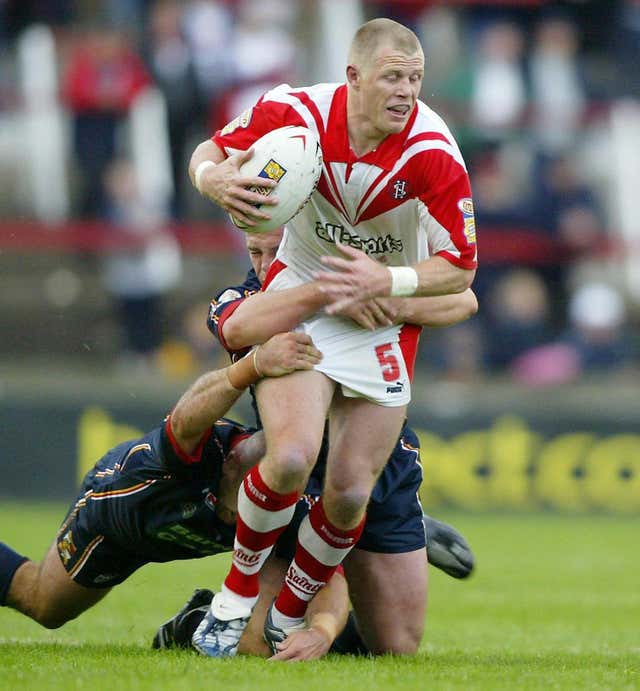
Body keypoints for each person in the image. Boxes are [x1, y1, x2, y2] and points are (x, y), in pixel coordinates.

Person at [188, 17, 477, 656]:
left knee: (348, 494)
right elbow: (207, 155)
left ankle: (290, 611)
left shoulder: (433, 151)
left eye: (415, 78)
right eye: (392, 77)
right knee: (289, 457)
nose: (406, 91)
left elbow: (461, 268)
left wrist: (390, 282)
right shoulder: (294, 116)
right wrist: (214, 180)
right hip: (306, 295)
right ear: (352, 77)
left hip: (379, 316)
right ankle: (231, 608)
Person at [189, 226, 477, 658]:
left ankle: (391, 544)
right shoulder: (246, 297)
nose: (266, 265)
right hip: (296, 478)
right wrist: (326, 295)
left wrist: (392, 302)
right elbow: (235, 330)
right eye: (255, 252)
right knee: (255, 645)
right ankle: (197, 617)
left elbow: (465, 299)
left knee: (396, 647)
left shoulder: (366, 282)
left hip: (375, 459)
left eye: (276, 251)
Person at [0, 331, 324, 635]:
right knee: (44, 605)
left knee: (260, 639)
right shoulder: (205, 449)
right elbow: (184, 418)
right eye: (258, 485)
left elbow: (327, 572)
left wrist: (324, 632)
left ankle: (188, 626)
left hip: (164, 534)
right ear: (231, 463)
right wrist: (251, 365)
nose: (266, 493)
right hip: (116, 521)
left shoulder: (289, 500)